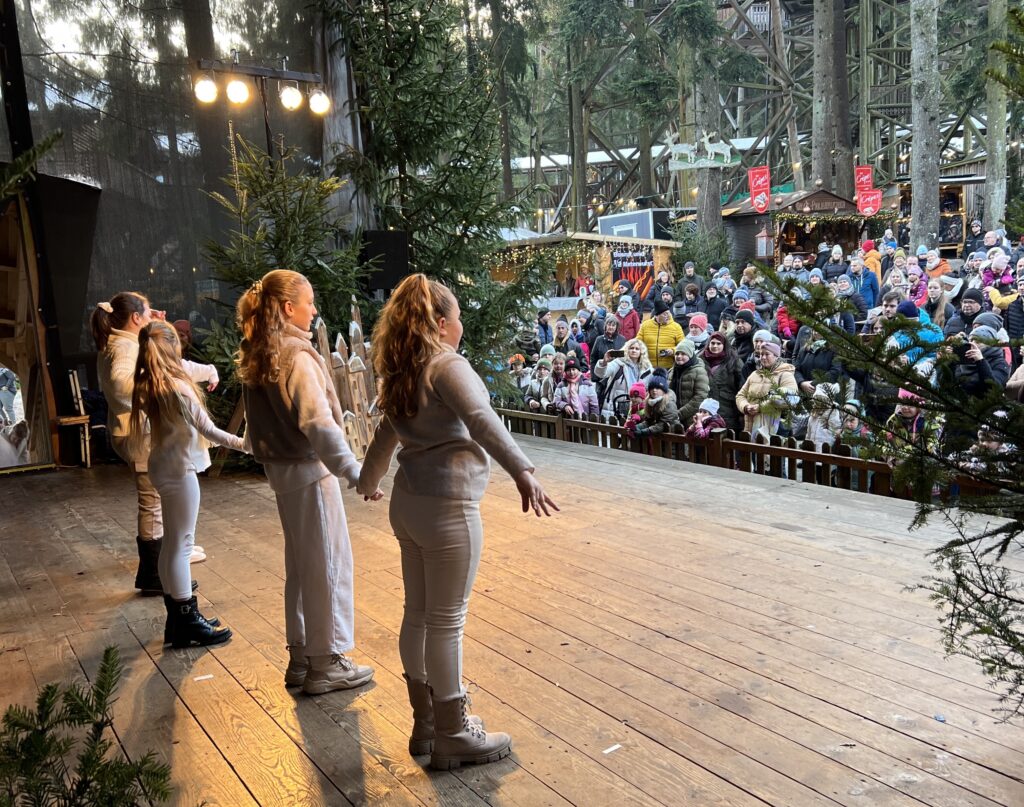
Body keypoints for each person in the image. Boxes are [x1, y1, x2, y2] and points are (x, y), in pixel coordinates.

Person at [357, 274, 557, 769]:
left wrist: (368, 478)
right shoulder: (447, 365)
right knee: (447, 621)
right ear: (443, 323)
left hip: (407, 504)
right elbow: (482, 419)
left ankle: (425, 723)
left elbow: (385, 434)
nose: (462, 325)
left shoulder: (401, 370)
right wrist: (522, 471)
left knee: (418, 614)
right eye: (459, 316)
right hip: (447, 508)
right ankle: (454, 732)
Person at [237, 270, 374, 696]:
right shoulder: (295, 355)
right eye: (309, 302)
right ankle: (325, 661)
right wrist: (353, 470)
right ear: (287, 307)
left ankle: (301, 655)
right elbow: (318, 422)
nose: (314, 311)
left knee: (301, 566)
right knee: (327, 565)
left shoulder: (260, 351)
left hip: (282, 472)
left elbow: (256, 422)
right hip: (310, 472)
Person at [92, 292, 219, 595]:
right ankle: (153, 572)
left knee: (157, 501)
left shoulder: (122, 342)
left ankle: (166, 559)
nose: (155, 315)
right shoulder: (124, 347)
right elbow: (123, 383)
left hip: (133, 430)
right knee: (152, 503)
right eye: (149, 312)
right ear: (136, 318)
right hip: (138, 433)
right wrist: (157, 391)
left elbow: (167, 363)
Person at [129, 321, 243, 647]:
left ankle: (177, 620)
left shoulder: (149, 382)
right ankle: (186, 620)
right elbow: (210, 431)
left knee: (172, 545)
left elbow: (194, 372)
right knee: (181, 546)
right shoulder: (178, 388)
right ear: (173, 347)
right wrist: (249, 445)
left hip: (161, 466)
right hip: (180, 470)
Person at [735, 342, 798, 437]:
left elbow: (790, 399)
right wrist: (746, 407)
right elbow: (740, 395)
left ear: (776, 356)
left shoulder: (785, 375)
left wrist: (761, 407)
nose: (763, 357)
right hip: (750, 426)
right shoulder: (754, 374)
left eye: (767, 354)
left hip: (774, 430)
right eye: (761, 354)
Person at [592, 337, 652, 418]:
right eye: (631, 348)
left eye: (637, 349)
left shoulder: (646, 369)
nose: (634, 350)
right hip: (614, 407)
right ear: (627, 350)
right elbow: (601, 374)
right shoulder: (618, 363)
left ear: (641, 352)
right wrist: (604, 362)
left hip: (637, 408)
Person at [667, 340, 709, 425]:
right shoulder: (672, 371)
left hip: (691, 419)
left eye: (683, 354)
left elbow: (700, 397)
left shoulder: (699, 371)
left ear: (690, 355)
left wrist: (679, 414)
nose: (679, 356)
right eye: (677, 354)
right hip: (673, 418)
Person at [637, 300, 685, 370]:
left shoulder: (676, 327)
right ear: (657, 315)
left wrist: (672, 351)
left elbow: (683, 346)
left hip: (669, 368)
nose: (668, 316)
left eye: (668, 313)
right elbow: (637, 342)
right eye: (665, 314)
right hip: (648, 367)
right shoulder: (645, 325)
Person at [632, 371, 679, 436]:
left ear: (664, 390)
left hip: (671, 436)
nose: (654, 390)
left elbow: (663, 424)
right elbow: (649, 421)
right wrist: (637, 427)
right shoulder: (650, 402)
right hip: (658, 436)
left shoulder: (669, 403)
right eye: (652, 388)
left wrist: (646, 431)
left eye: (658, 388)